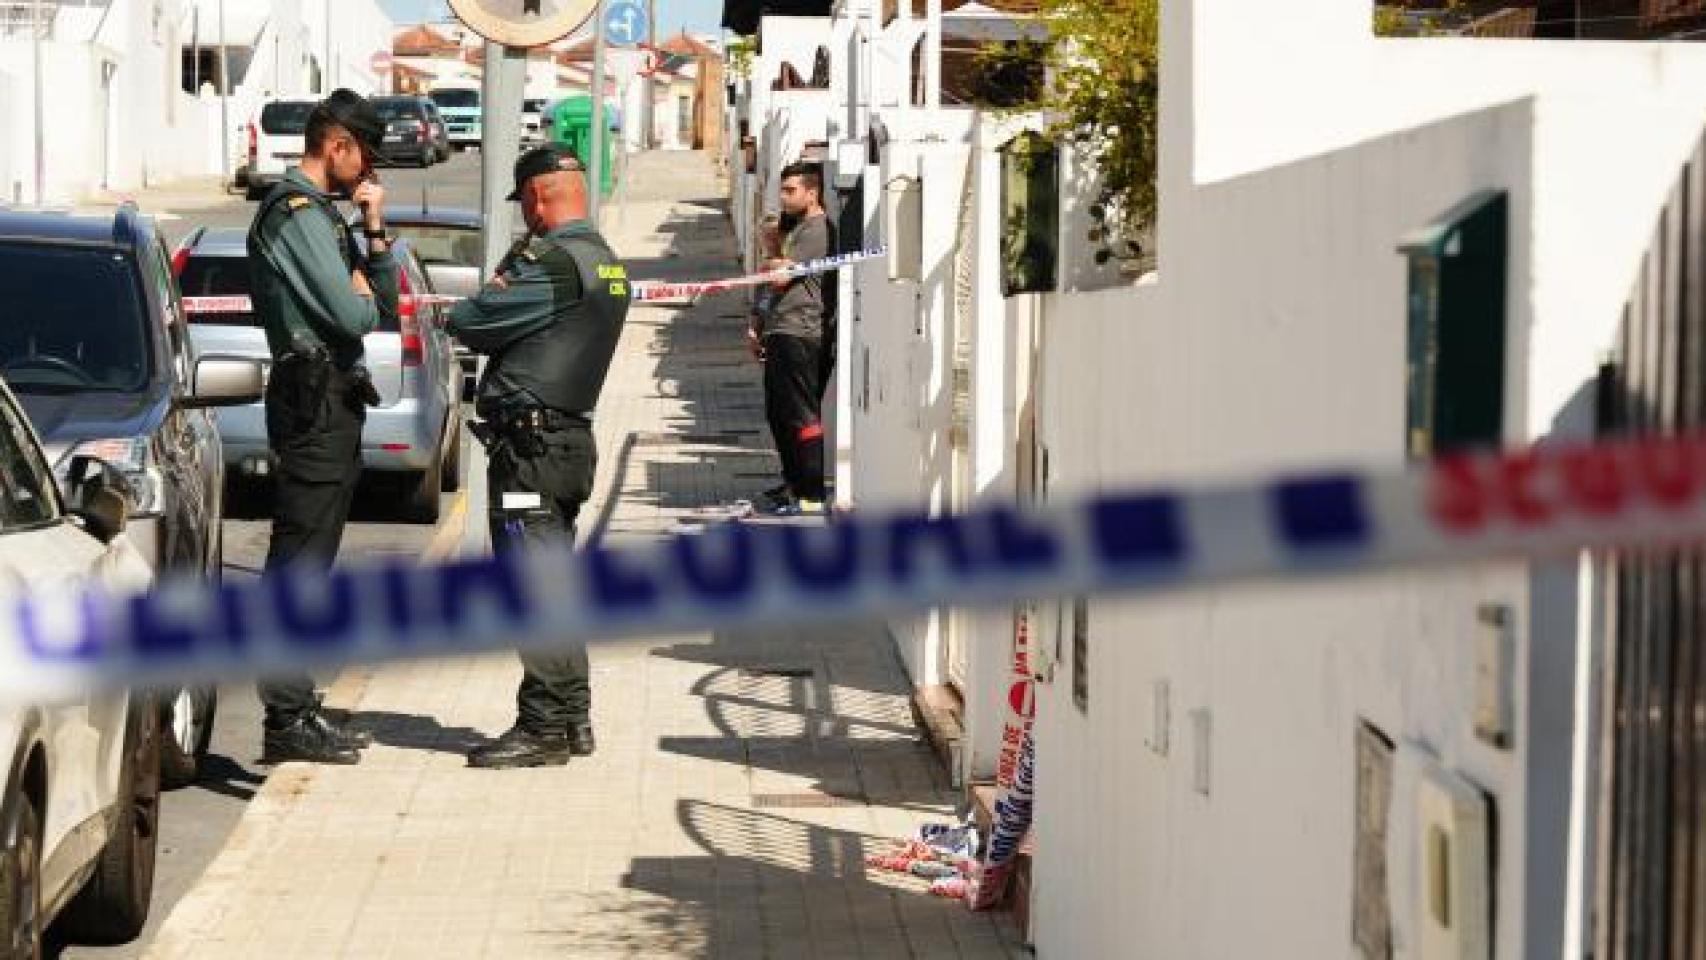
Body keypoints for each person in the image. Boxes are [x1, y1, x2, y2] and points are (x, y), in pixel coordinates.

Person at [448, 145, 631, 769]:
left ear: (535, 196)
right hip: (565, 443)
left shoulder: (555, 264)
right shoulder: (605, 261)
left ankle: (547, 726)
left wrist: (508, 267)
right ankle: (570, 718)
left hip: (531, 451)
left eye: (523, 204)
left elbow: (472, 321)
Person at [247, 89, 394, 765]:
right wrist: (359, 296)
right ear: (336, 145)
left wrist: (374, 229)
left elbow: (381, 302)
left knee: (316, 559)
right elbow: (355, 317)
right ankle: (285, 715)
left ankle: (298, 704)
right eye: (363, 155)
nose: (367, 172)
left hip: (333, 399)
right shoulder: (298, 213)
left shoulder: (329, 218)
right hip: (312, 397)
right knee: (298, 559)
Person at [747, 163, 835, 515]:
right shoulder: (796, 230)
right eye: (782, 190)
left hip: (803, 331)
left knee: (801, 412)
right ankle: (793, 483)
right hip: (780, 329)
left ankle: (811, 492)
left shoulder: (817, 231)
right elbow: (774, 279)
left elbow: (781, 276)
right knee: (778, 413)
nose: (783, 198)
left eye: (790, 191)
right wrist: (757, 321)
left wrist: (773, 260)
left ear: (811, 193)